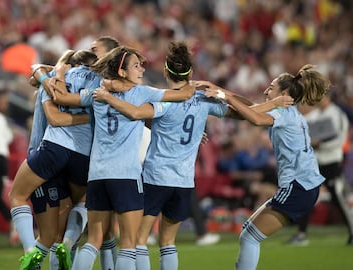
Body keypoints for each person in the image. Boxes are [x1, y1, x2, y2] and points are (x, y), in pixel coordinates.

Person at [92, 41, 293, 270]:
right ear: (191, 73)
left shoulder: (164, 100)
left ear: (166, 72)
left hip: (155, 178)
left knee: (138, 241)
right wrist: (268, 103)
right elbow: (247, 112)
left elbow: (137, 114)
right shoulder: (203, 101)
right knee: (168, 242)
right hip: (184, 182)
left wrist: (108, 94)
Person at [70, 44, 199, 270]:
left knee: (93, 241)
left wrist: (46, 77)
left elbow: (65, 99)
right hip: (126, 176)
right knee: (129, 244)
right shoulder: (142, 93)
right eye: (136, 66)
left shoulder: (97, 92)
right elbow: (186, 93)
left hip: (97, 175)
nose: (142, 70)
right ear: (122, 72)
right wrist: (205, 86)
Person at [202, 64, 329, 270]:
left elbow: (254, 117)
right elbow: (251, 107)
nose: (265, 91)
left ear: (284, 94)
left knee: (250, 238)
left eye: (271, 87)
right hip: (304, 186)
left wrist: (222, 95)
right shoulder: (289, 113)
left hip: (298, 187)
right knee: (248, 233)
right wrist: (219, 90)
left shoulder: (283, 113)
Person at [8, 49, 99, 270]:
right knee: (66, 226)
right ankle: (66, 246)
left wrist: (47, 73)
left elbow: (36, 73)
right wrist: (90, 116)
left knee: (22, 203)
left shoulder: (52, 82)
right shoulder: (100, 86)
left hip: (48, 153)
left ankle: (30, 251)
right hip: (82, 156)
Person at [288, 94, 353, 246]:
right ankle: (301, 234)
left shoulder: (337, 114)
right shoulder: (316, 114)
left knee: (338, 198)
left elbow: (340, 139)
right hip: (316, 162)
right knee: (306, 195)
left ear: (327, 97)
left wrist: (321, 144)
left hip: (332, 161)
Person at [0, 89, 14, 244]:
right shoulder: (1, 118)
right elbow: (9, 137)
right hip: (1, 158)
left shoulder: (0, 117)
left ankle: (15, 225)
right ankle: (15, 226)